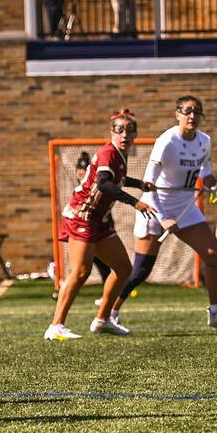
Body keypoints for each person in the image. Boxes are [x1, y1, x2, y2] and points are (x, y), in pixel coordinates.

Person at [110, 95, 217, 333]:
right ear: (177, 114)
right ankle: (110, 313)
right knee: (140, 270)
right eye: (187, 111)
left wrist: (214, 185)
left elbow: (206, 173)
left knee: (212, 254)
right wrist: (163, 216)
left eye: (197, 112)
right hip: (155, 204)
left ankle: (216, 311)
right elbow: (149, 183)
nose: (192, 116)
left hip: (185, 207)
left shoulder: (204, 140)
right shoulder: (167, 141)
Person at [45, 109, 154, 340]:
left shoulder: (120, 156)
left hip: (99, 220)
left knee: (124, 268)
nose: (124, 134)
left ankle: (102, 320)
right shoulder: (108, 153)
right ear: (111, 132)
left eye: (129, 130)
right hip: (82, 216)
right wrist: (135, 202)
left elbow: (118, 179)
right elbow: (104, 183)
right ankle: (56, 326)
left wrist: (140, 185)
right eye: (119, 130)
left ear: (135, 134)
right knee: (81, 272)